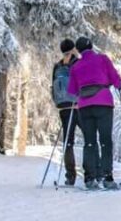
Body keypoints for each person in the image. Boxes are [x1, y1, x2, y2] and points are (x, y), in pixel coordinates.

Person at [68, 36, 121, 190]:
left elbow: (72, 91)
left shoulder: (76, 66)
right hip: (103, 103)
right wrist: (117, 85)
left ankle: (89, 178)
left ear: (78, 50)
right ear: (91, 46)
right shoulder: (103, 59)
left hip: (84, 106)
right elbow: (116, 79)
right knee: (105, 141)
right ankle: (107, 178)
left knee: (89, 142)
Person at [51, 39, 80, 185]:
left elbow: (53, 88)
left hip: (64, 108)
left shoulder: (57, 66)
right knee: (90, 139)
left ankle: (70, 176)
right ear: (74, 48)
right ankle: (92, 174)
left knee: (68, 142)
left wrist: (58, 104)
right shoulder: (78, 63)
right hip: (78, 106)